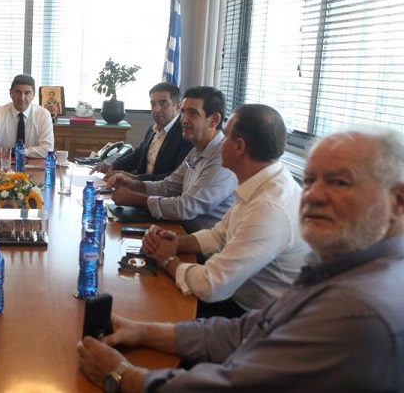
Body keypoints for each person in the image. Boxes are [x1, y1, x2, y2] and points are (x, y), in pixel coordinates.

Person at [78, 128, 404, 392]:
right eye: (310, 180)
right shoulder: (343, 265)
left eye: (340, 182)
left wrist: (124, 377)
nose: (313, 195)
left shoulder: (358, 307)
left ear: (398, 201)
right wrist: (142, 331)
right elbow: (244, 331)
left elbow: (236, 385)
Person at [142, 104, 310, 317]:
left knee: (153, 306)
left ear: (239, 147)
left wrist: (167, 260)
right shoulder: (263, 181)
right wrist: (176, 242)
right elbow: (219, 235)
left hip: (257, 318)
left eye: (226, 136)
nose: (220, 141)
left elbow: (211, 286)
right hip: (235, 298)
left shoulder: (269, 208)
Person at [108, 86, 237, 232]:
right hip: (181, 230)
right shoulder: (197, 150)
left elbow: (186, 207)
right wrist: (133, 184)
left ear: (214, 120)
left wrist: (135, 199)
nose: (183, 120)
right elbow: (169, 187)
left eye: (193, 113)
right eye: (183, 112)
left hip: (200, 241)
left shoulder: (222, 158)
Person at [93, 82, 192, 181]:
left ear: (178, 107)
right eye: (153, 104)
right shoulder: (152, 129)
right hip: (139, 186)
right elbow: (137, 156)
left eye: (163, 104)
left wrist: (135, 178)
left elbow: (177, 177)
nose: (156, 109)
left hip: (159, 189)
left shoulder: (185, 135)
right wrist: (112, 166)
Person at [0, 74, 54, 163]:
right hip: (3, 165)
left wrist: (18, 152)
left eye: (27, 93)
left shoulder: (43, 115)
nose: (22, 98)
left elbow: (47, 148)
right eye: (18, 92)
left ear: (34, 94)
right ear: (11, 93)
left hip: (34, 165)